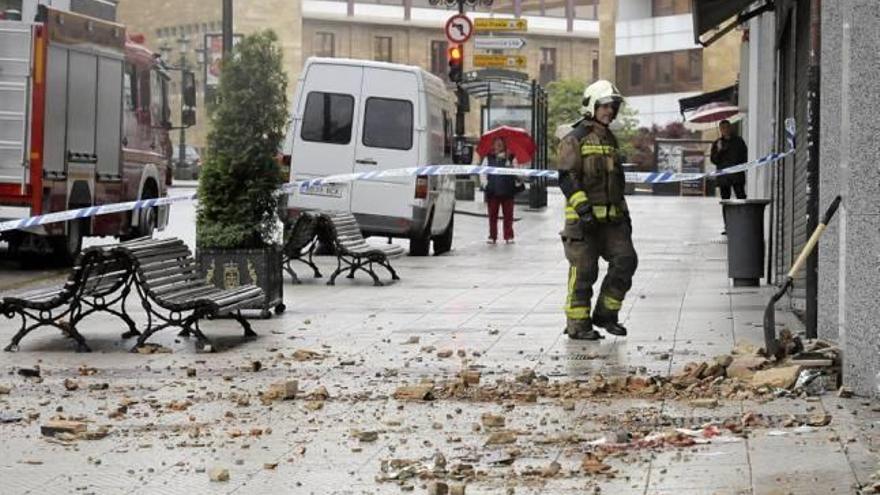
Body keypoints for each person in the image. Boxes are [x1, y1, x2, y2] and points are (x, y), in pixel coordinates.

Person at [556, 80, 638, 340]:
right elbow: (568, 178)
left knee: (626, 260)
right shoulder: (574, 137)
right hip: (583, 223)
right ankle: (578, 325)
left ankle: (605, 315)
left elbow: (616, 181)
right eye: (605, 106)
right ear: (592, 106)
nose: (609, 112)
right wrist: (584, 211)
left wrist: (624, 216)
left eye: (612, 107)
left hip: (612, 221)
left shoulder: (609, 138)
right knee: (584, 272)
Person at [482, 137, 519, 244]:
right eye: (496, 144)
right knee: (492, 215)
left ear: (504, 145)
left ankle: (509, 236)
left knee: (508, 216)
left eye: (500, 144)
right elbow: (483, 172)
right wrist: (485, 184)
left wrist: (512, 167)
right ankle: (492, 236)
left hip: (508, 191)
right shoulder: (488, 158)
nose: (498, 146)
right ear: (493, 145)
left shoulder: (511, 158)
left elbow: (517, 172)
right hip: (493, 191)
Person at [710, 120, 748, 200]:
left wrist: (740, 166)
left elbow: (744, 156)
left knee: (741, 197)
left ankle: (741, 212)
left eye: (727, 127)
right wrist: (719, 151)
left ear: (731, 128)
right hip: (724, 177)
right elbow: (714, 160)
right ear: (720, 129)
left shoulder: (739, 141)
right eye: (723, 128)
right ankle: (726, 213)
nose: (725, 130)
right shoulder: (717, 143)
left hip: (737, 175)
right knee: (725, 199)